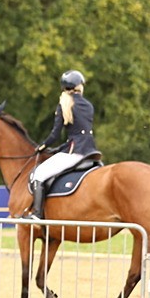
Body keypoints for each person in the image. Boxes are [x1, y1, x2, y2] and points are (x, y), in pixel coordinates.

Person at [27, 70, 99, 220]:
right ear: (80, 86)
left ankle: (37, 214)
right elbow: (79, 133)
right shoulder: (89, 105)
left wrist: (42, 147)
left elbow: (55, 135)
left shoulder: (64, 105)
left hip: (75, 152)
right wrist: (59, 149)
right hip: (90, 150)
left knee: (39, 174)